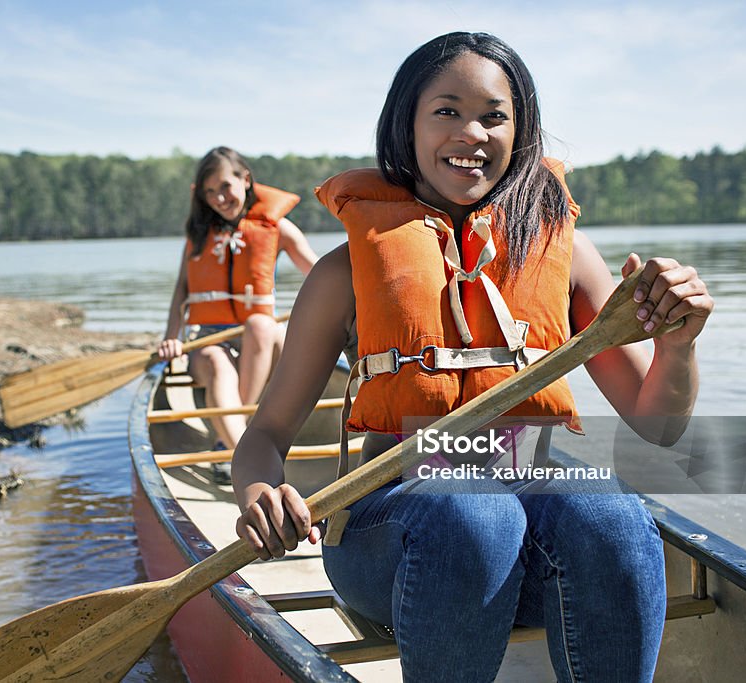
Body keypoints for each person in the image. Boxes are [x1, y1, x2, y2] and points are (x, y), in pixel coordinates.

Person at [231, 32, 714, 682]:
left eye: (494, 116)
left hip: (530, 520)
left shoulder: (566, 255)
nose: (472, 133)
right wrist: (262, 492)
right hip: (391, 530)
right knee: (472, 510)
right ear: (409, 123)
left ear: (522, 131)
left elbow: (659, 425)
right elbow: (263, 435)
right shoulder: (343, 272)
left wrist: (675, 348)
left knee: (612, 510)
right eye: (447, 111)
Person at [158, 146, 318, 484]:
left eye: (225, 186)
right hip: (209, 340)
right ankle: (245, 452)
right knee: (217, 363)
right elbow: (181, 291)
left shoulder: (279, 229)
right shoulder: (199, 236)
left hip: (260, 343)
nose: (219, 198)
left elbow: (320, 277)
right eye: (210, 192)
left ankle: (231, 439)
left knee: (261, 324)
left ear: (245, 180)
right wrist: (172, 336)